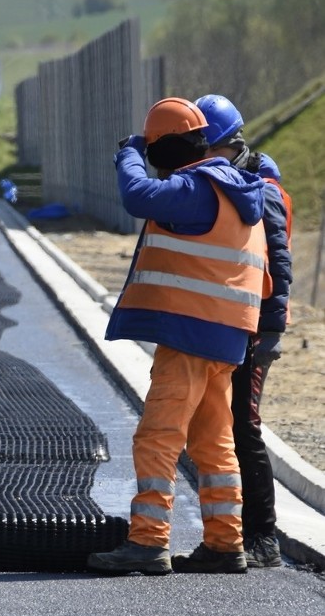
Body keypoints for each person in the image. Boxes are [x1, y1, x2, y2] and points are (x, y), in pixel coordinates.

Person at [87, 97, 270, 576]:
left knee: (159, 435)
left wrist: (127, 152)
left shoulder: (197, 187)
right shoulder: (238, 188)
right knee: (213, 441)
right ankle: (226, 543)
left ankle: (148, 542)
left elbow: (136, 196)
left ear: (164, 149)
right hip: (227, 336)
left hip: (191, 332)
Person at [196, 93, 293, 569]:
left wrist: (272, 331)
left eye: (207, 150)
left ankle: (264, 537)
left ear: (232, 145)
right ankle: (233, 529)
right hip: (231, 322)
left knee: (243, 427)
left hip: (255, 330)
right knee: (224, 425)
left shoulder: (263, 189)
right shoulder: (232, 177)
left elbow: (278, 262)